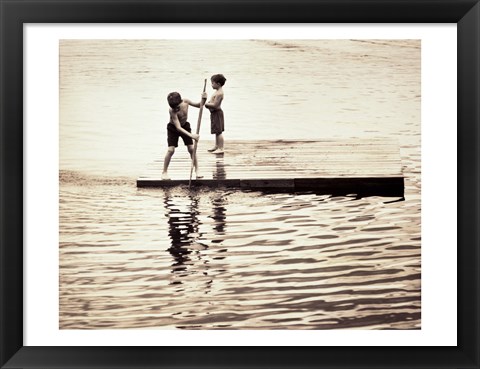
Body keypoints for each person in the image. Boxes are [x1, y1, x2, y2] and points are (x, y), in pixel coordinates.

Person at [162, 91, 207, 180]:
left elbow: (200, 105)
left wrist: (204, 99)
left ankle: (197, 170)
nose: (175, 109)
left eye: (177, 107)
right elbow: (178, 127)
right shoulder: (172, 110)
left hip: (185, 126)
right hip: (173, 128)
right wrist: (192, 135)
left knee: (191, 148)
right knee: (171, 150)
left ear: (181, 101)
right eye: (173, 107)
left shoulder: (186, 102)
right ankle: (164, 172)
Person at [205, 74, 226, 154]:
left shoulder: (219, 93)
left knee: (219, 131)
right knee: (216, 130)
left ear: (218, 84)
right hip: (214, 113)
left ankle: (221, 148)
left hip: (217, 113)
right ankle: (216, 146)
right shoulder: (216, 92)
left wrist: (206, 104)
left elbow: (216, 105)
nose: (211, 85)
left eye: (213, 83)